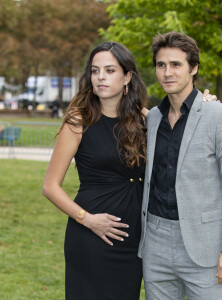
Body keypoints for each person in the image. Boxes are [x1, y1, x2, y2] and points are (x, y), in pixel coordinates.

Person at [138, 31, 222, 300]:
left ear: (194, 68)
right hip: (155, 244)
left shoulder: (220, 117)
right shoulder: (152, 118)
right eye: (161, 65)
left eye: (176, 64)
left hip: (206, 247)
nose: (167, 72)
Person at [43, 42, 149, 300]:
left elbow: (183, 118)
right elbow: (50, 187)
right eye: (95, 70)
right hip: (90, 235)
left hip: (134, 237)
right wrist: (87, 219)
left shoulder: (146, 119)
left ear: (127, 77)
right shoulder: (78, 121)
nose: (100, 77)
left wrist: (205, 101)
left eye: (110, 70)